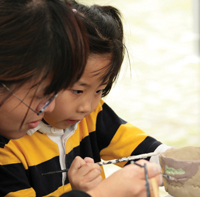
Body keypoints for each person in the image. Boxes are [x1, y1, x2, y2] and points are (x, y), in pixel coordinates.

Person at [0, 1, 162, 197]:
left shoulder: (90, 116)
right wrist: (95, 193)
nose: (87, 106)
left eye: (99, 91)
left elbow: (142, 148)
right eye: (42, 93)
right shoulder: (9, 147)